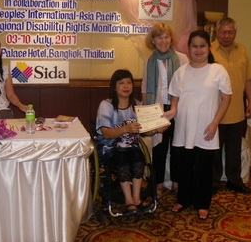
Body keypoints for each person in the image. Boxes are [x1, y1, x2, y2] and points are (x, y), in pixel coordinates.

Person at [165, 30, 232, 220]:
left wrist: (215, 123)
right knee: (184, 167)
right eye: (195, 46)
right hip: (184, 128)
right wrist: (173, 110)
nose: (198, 49)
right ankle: (183, 199)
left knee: (203, 168)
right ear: (189, 49)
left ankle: (203, 203)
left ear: (209, 48)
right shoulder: (181, 72)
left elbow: (226, 99)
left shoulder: (218, 70)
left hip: (206, 129)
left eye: (202, 45)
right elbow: (175, 96)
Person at [96, 69, 167, 213]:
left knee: (138, 159)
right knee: (122, 161)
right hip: (112, 148)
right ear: (114, 87)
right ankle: (128, 200)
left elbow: (144, 131)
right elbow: (106, 133)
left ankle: (136, 199)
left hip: (132, 147)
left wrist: (156, 130)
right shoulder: (106, 105)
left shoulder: (137, 105)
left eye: (129, 82)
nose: (126, 86)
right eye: (121, 83)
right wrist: (126, 129)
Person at [142, 23, 189, 198]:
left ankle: (177, 182)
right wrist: (147, 115)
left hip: (179, 108)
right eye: (159, 37)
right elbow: (146, 88)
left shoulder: (182, 59)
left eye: (166, 36)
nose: (163, 40)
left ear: (171, 39)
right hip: (158, 110)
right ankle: (159, 184)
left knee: (177, 148)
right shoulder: (149, 61)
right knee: (160, 149)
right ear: (153, 40)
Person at [211, 18, 251, 195]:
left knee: (234, 151)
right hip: (215, 113)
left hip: (237, 111)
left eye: (230, 32)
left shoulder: (242, 50)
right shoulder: (209, 50)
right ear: (217, 32)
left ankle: (234, 181)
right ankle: (212, 183)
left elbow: (247, 79)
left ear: (235, 33)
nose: (226, 36)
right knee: (214, 151)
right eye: (223, 32)